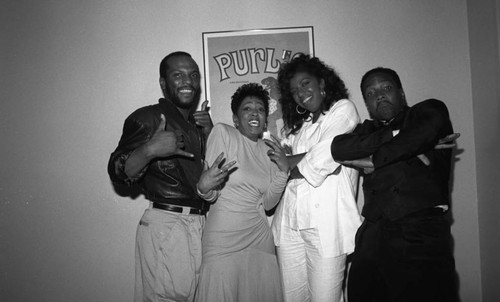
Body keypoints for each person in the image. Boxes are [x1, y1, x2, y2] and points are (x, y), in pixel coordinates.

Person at [108, 51, 231, 302]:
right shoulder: (148, 117)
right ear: (164, 83)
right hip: (168, 222)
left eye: (193, 75)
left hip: (197, 224)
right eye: (178, 75)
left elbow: (203, 176)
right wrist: (150, 150)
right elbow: (118, 172)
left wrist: (208, 132)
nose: (188, 81)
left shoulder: (195, 126)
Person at [331, 67, 459, 302]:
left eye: (386, 88)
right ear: (367, 104)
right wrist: (403, 139)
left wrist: (373, 159)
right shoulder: (366, 129)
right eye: (371, 93)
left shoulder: (428, 112)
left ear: (401, 93)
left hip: (421, 232)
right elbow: (339, 147)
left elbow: (427, 130)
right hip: (372, 234)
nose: (379, 95)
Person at [271, 54, 362, 302]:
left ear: (322, 83)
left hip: (326, 225)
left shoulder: (343, 110)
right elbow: (276, 160)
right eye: (294, 90)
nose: (300, 93)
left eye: (305, 83)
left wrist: (288, 163)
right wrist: (290, 161)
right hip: (289, 223)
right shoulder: (298, 126)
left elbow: (326, 158)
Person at [194, 83, 290, 302]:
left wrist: (283, 170)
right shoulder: (223, 133)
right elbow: (211, 191)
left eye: (260, 109)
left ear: (266, 118)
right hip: (223, 240)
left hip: (260, 240)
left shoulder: (269, 150)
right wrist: (204, 188)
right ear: (236, 119)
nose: (255, 112)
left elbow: (268, 204)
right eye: (247, 108)